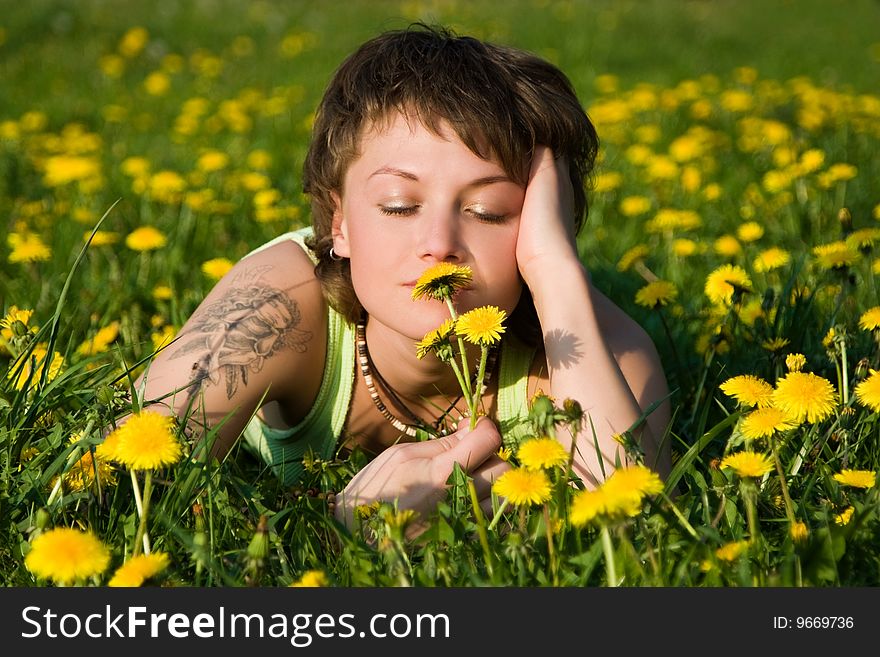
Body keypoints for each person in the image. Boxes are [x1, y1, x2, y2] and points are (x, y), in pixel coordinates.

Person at [128, 23, 671, 531]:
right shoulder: (275, 306)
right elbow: (117, 484)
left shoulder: (593, 343)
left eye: (488, 211)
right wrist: (339, 529)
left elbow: (634, 528)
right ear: (338, 222)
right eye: (398, 205)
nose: (439, 243)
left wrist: (555, 270)